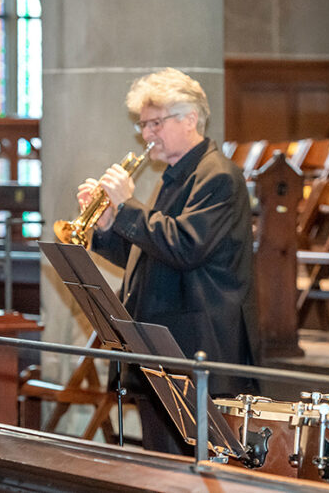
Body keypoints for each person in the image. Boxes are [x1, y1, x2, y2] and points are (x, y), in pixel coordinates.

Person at [78, 67, 256, 454]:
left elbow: (185, 247)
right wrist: (108, 225)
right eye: (143, 125)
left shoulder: (218, 176)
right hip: (162, 345)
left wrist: (126, 206)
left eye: (154, 123)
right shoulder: (175, 176)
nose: (146, 134)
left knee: (187, 470)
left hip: (196, 347)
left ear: (189, 118)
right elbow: (149, 256)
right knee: (159, 465)